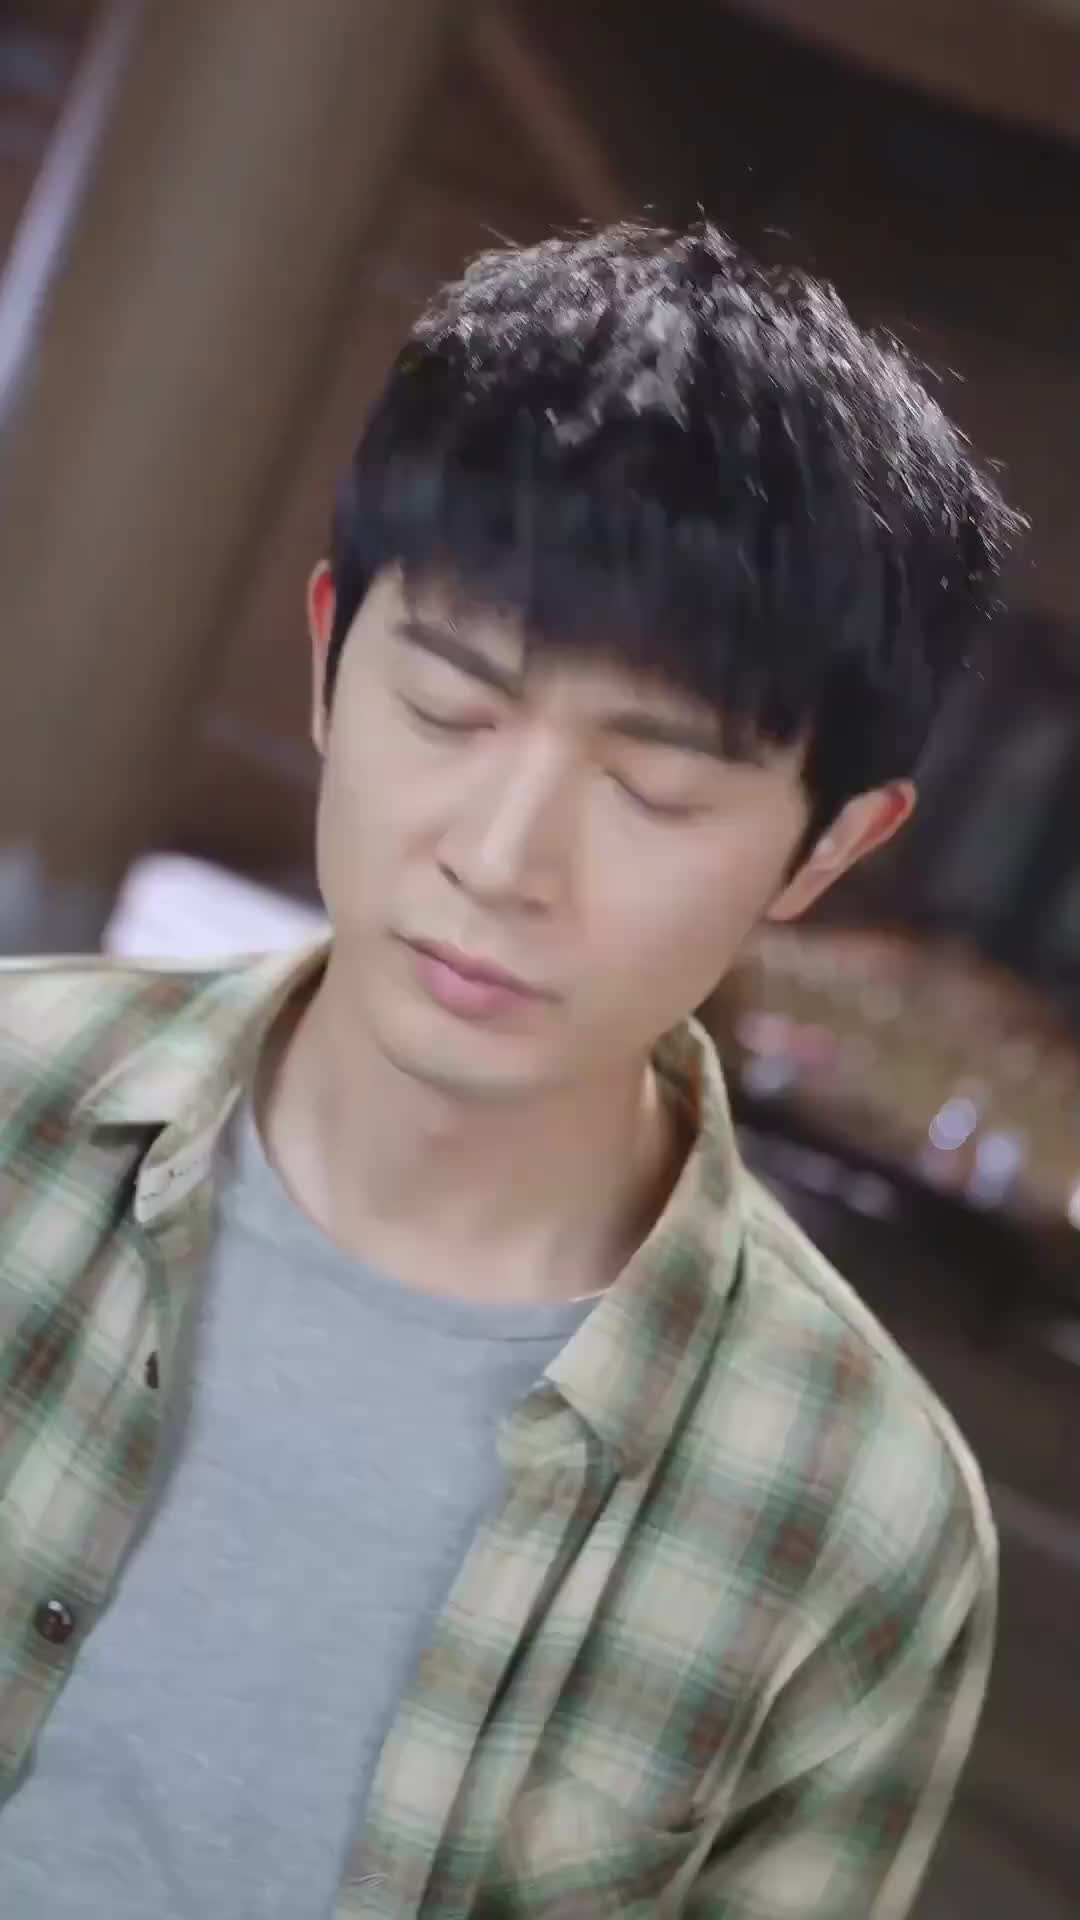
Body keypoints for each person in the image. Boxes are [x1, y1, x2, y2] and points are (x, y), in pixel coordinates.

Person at [0, 223, 1021, 1920]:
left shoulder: (853, 1521)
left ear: (831, 849)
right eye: (452, 709)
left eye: (656, 790)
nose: (501, 856)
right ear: (330, 657)